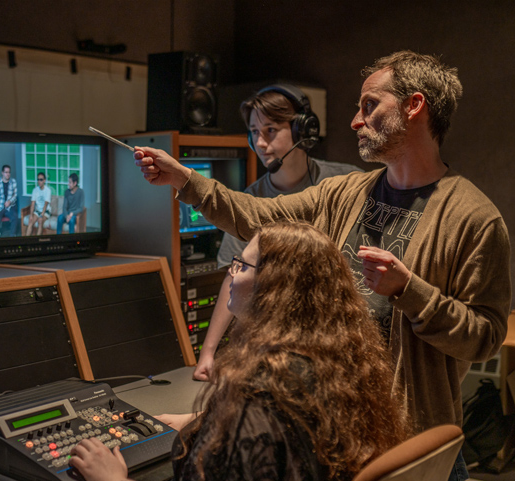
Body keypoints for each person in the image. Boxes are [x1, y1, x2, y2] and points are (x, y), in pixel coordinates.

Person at [132, 50, 510, 480]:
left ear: (414, 106)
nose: (355, 121)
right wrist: (184, 179)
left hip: (408, 446)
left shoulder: (474, 218)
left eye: (370, 106)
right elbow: (259, 218)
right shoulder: (342, 193)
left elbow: (485, 338)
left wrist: (410, 291)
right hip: (334, 433)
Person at [70, 222, 410, 481]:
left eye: (242, 265)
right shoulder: (335, 364)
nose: (231, 274)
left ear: (274, 287)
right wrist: (205, 422)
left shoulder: (259, 392)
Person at [193, 85, 361, 381]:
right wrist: (209, 352)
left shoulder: (348, 183)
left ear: (303, 131)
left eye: (270, 130)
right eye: (254, 131)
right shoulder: (251, 199)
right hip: (283, 347)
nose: (260, 142)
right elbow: (234, 276)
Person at [0, 164, 18, 238]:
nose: (8, 174)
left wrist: (10, 201)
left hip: (10, 207)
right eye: (6, 172)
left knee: (15, 217)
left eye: (9, 172)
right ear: (2, 173)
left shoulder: (13, 181)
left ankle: (12, 235)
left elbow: (15, 195)